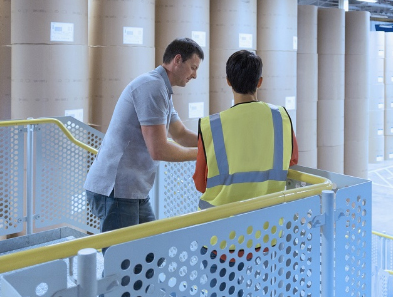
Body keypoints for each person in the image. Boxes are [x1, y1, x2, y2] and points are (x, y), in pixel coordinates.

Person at [85, 38, 203, 234]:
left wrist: (213, 142)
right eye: (193, 67)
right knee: (125, 261)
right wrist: (203, 155)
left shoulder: (162, 90)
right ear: (177, 60)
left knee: (149, 256)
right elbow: (159, 149)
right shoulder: (152, 87)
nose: (195, 75)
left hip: (133, 190)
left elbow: (180, 134)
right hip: (116, 190)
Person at [193, 50, 298, 209]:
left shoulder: (211, 126)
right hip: (269, 222)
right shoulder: (281, 117)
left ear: (228, 81)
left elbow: (200, 183)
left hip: (221, 225)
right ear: (259, 82)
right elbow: (292, 159)